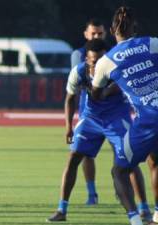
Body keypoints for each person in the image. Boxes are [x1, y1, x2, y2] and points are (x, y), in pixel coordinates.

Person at [47, 39, 147, 222]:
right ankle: (62, 209)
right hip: (91, 119)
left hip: (117, 119)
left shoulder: (117, 70)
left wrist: (106, 91)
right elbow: (70, 98)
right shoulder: (79, 71)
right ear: (86, 58)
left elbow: (122, 88)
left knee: (130, 161)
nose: (97, 64)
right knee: (73, 157)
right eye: (94, 61)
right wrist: (69, 127)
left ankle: (144, 209)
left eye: (101, 60)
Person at [92, 6, 158, 225]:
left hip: (148, 121)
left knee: (120, 171)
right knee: (155, 161)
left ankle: (135, 220)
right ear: (136, 28)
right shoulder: (152, 43)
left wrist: (112, 86)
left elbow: (96, 93)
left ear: (112, 30)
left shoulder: (105, 62)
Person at [71, 19, 106, 205]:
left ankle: (125, 190)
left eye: (100, 33)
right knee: (85, 154)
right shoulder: (79, 56)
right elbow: (77, 85)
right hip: (89, 112)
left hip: (114, 113)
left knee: (125, 155)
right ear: (86, 34)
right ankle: (92, 194)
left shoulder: (111, 53)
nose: (96, 36)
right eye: (93, 33)